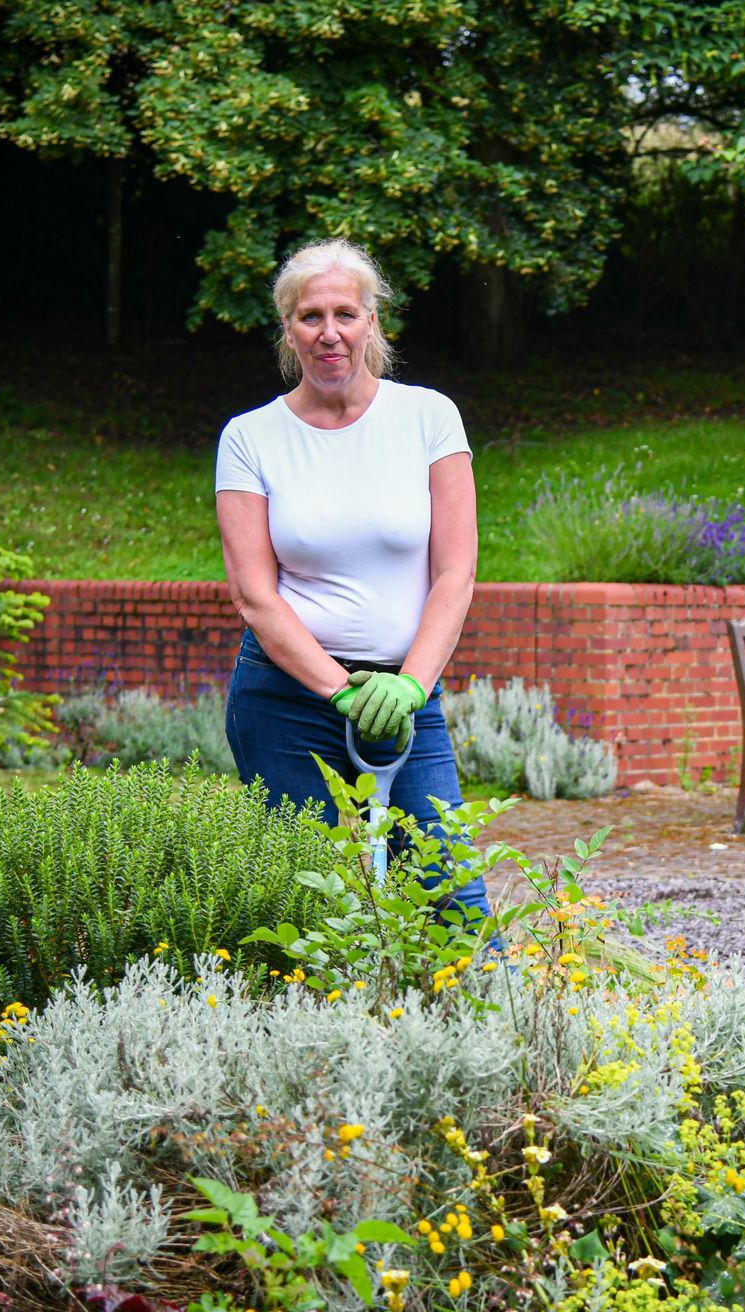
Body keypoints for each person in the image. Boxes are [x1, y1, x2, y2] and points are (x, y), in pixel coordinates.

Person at [215, 238, 489, 920]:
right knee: (305, 906)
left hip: (405, 693)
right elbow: (255, 594)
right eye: (310, 316)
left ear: (372, 321)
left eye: (345, 313)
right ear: (288, 328)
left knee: (448, 894)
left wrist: (409, 687)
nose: (329, 332)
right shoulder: (250, 438)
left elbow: (455, 571)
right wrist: (340, 692)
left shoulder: (429, 418)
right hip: (284, 702)